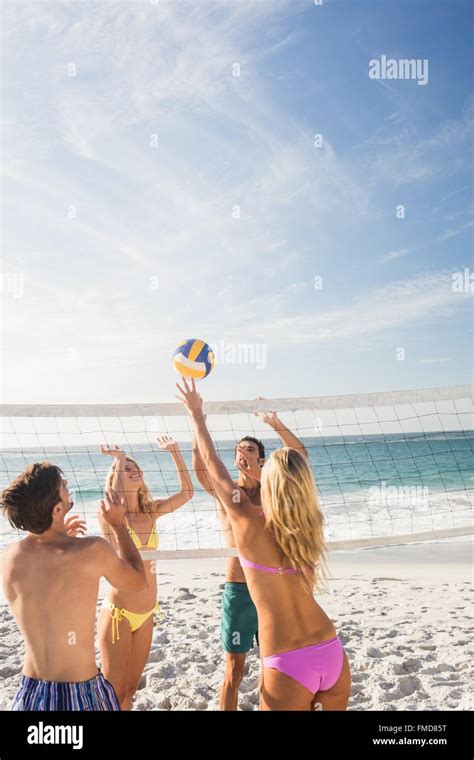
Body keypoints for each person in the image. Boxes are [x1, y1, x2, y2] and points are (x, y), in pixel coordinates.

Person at [177, 379, 351, 711]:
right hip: (331, 651)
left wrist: (197, 417)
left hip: (288, 661)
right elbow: (298, 464)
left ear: (266, 473)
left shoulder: (245, 515)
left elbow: (212, 464)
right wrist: (275, 426)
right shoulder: (308, 521)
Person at [0, 462, 146, 711]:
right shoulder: (92, 550)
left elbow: (48, 573)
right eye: (62, 486)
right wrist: (118, 526)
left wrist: (60, 537)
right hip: (80, 691)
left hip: (31, 694)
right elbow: (137, 581)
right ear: (57, 509)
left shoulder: (9, 556)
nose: (67, 485)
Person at [192, 405, 308, 710]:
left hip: (272, 589)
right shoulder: (229, 495)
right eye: (238, 449)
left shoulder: (274, 490)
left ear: (261, 458)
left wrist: (275, 422)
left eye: (250, 448)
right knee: (235, 669)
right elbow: (203, 468)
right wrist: (198, 426)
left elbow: (299, 457)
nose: (243, 451)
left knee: (272, 667)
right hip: (240, 590)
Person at [98, 435, 194, 710]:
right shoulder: (111, 517)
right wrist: (119, 459)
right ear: (116, 477)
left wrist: (175, 451)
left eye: (134, 466)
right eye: (127, 469)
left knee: (130, 692)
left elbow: (188, 493)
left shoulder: (151, 512)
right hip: (119, 615)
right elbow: (115, 497)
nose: (133, 470)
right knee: (113, 693)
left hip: (148, 614)